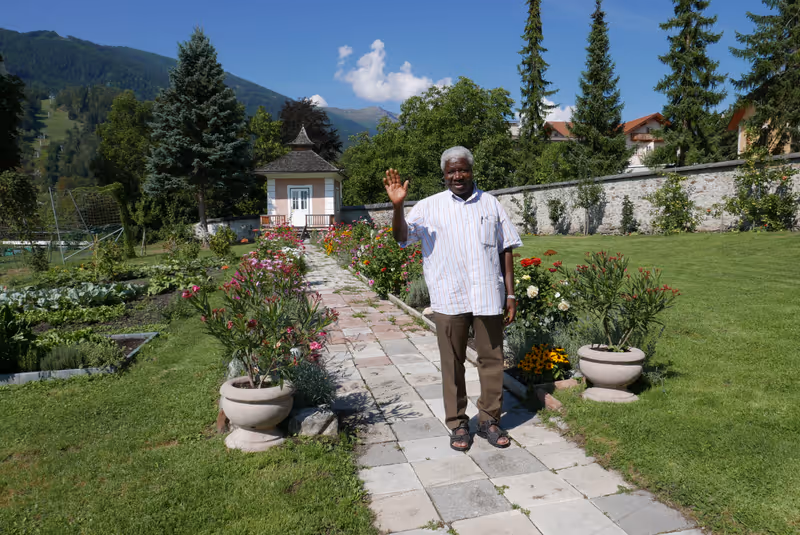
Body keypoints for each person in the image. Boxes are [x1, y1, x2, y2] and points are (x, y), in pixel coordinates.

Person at [383, 146, 522, 451]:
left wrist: (510, 294)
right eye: (451, 171)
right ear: (444, 175)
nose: (457, 176)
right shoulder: (428, 207)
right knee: (452, 363)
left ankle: (489, 420)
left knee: (491, 360)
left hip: (487, 295)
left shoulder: (491, 204)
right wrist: (398, 207)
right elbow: (402, 237)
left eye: (463, 169)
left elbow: (506, 248)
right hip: (449, 296)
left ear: (472, 171)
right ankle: (458, 423)